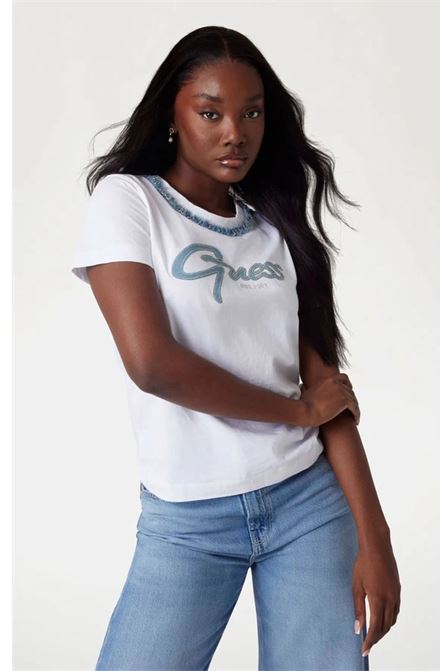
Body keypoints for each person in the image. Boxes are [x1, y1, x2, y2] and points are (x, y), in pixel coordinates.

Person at [71, 25, 400, 671]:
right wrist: (296, 412)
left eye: (251, 113)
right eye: (211, 112)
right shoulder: (129, 201)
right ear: (172, 115)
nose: (234, 133)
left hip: (309, 505)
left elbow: (328, 395)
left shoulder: (276, 227)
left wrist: (376, 536)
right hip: (189, 516)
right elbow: (152, 365)